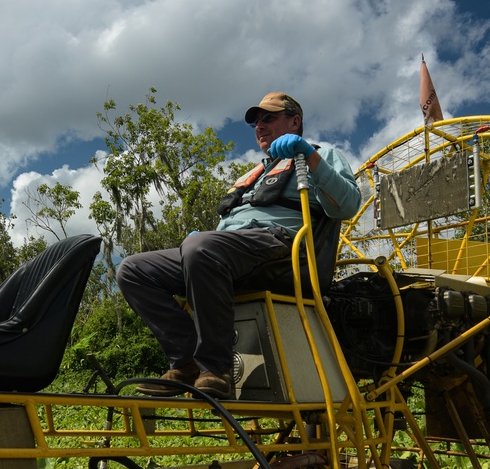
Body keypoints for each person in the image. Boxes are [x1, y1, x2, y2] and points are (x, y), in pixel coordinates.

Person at [116, 92, 360, 398]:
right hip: (228, 252)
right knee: (133, 270)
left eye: (269, 118)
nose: (260, 126)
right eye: (256, 122)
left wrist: (308, 155)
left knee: (202, 248)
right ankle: (186, 360)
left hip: (278, 247)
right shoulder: (253, 175)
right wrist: (199, 239)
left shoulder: (322, 155)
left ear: (295, 121)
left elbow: (348, 205)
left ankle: (216, 369)